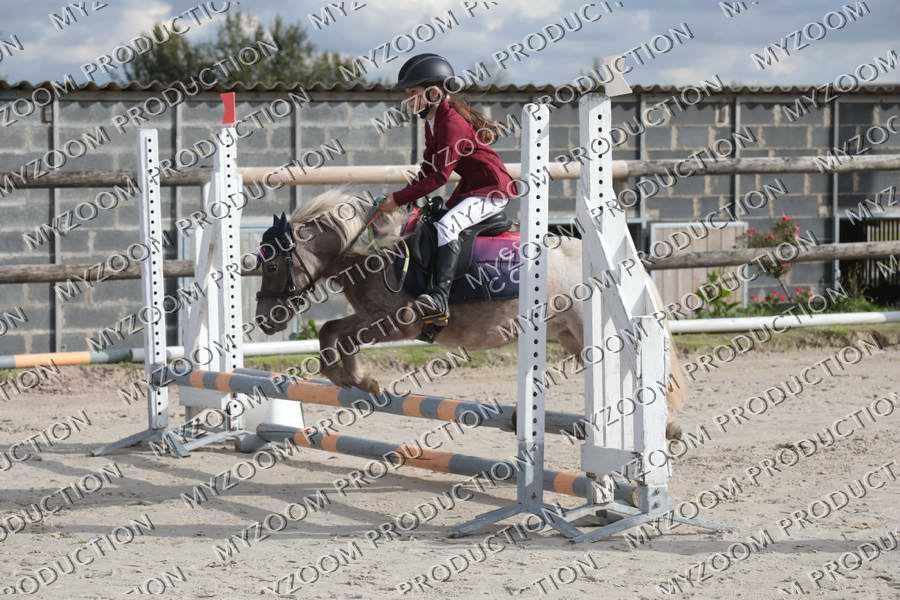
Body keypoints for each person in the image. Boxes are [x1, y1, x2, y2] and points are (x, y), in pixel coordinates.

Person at [379, 53, 518, 323]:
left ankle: (440, 297)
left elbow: (440, 176)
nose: (408, 99)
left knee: (447, 226)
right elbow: (428, 168)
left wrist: (398, 198)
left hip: (492, 191)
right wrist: (403, 195)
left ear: (433, 92)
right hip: (472, 189)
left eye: (412, 92)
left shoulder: (451, 123)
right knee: (430, 223)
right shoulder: (433, 121)